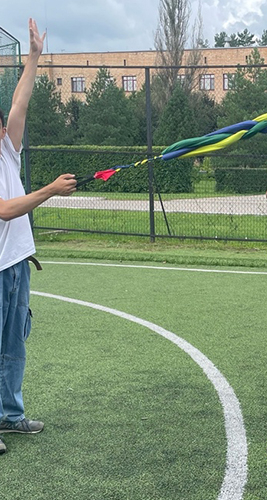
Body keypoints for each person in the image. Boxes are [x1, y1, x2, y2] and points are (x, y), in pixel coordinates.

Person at [0, 19, 77, 455]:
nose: (5, 131)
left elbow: (20, 102)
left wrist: (33, 56)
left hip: (16, 267)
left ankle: (10, 416)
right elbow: (5, 210)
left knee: (14, 347)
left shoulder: (7, 152)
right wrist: (49, 190)